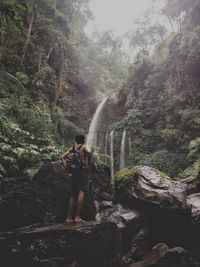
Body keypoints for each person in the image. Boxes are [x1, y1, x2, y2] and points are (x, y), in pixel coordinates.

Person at [60, 134, 91, 223]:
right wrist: (88, 163)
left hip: (74, 173)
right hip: (82, 171)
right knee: (81, 192)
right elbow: (89, 152)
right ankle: (77, 217)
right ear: (84, 140)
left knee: (73, 194)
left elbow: (62, 157)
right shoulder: (84, 147)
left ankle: (69, 217)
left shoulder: (73, 148)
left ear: (76, 140)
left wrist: (66, 167)